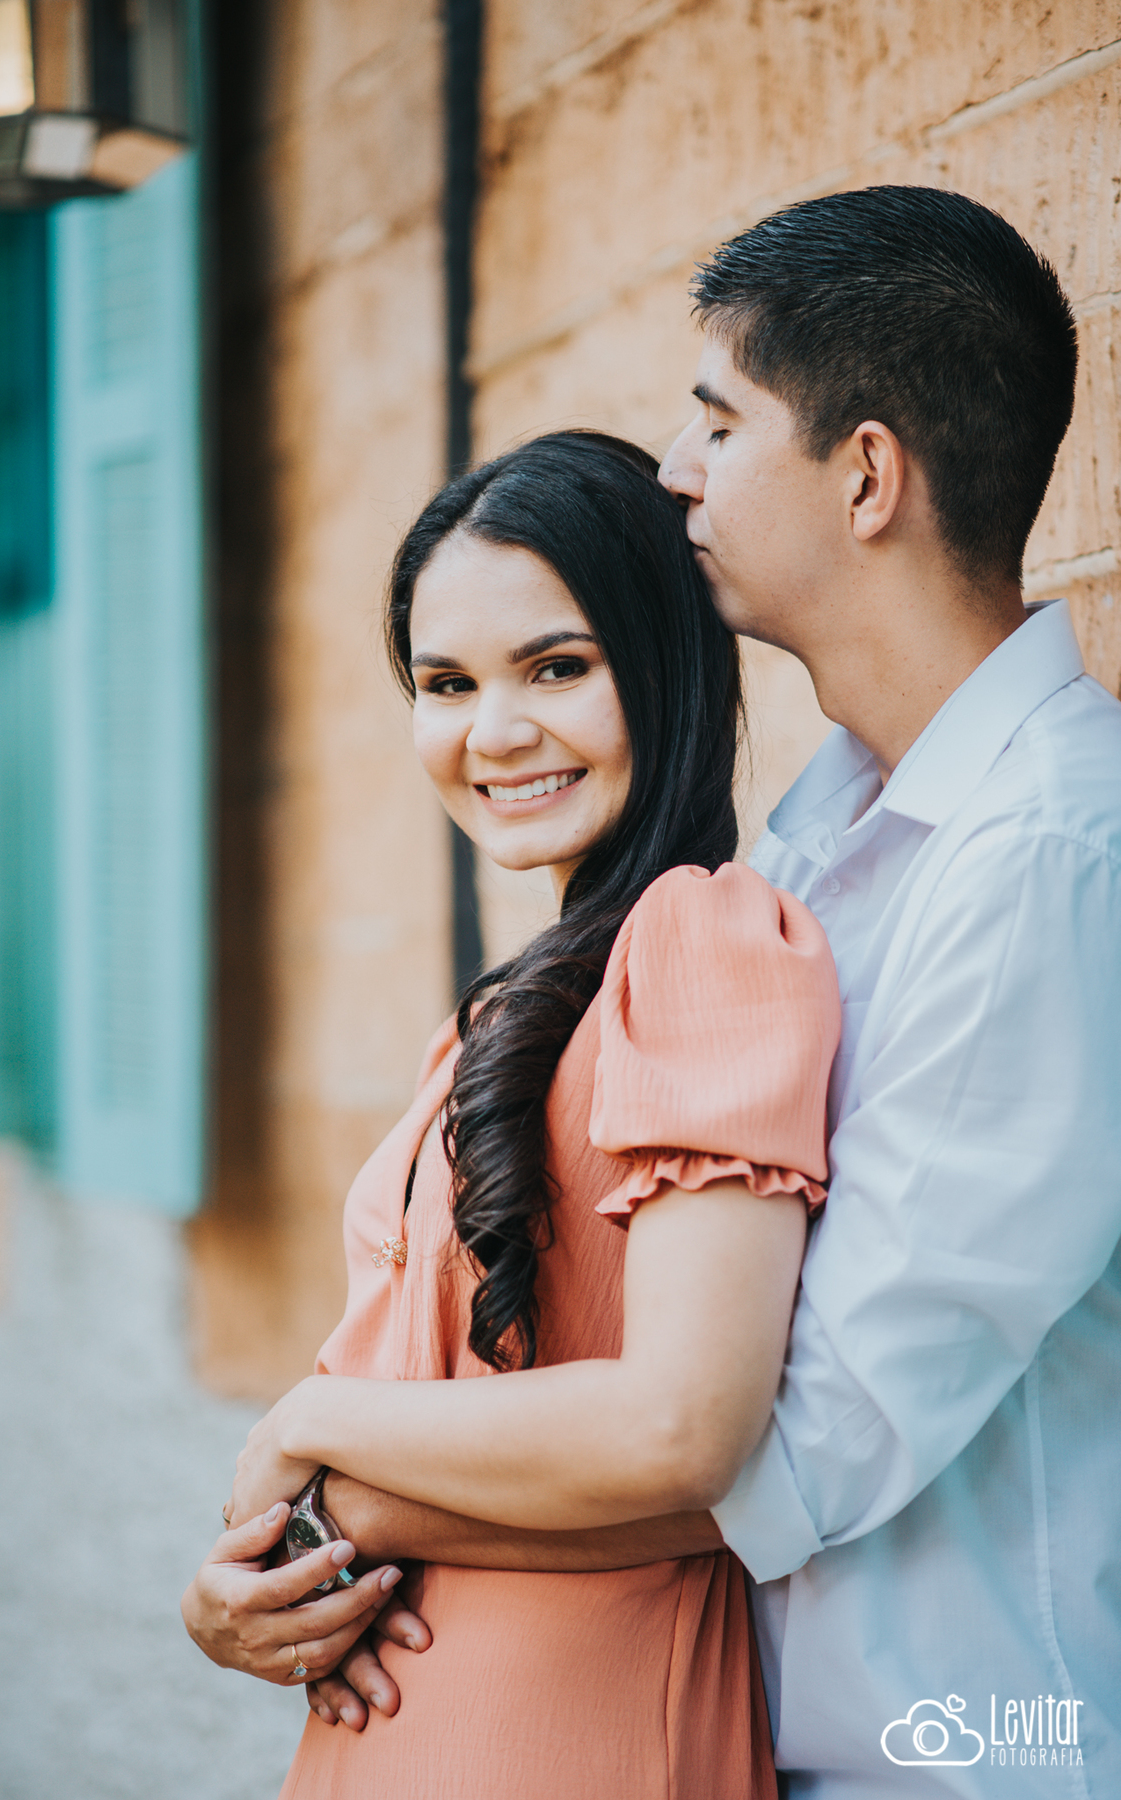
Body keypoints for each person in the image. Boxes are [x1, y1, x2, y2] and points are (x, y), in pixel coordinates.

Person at [194, 187, 1121, 1796]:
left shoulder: (1049, 855)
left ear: (868, 474)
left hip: (966, 1746)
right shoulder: (820, 851)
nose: (678, 473)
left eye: (717, 421)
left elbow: (786, 1440)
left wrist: (325, 1482)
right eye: (446, 681)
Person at [183, 428, 843, 1799]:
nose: (494, 732)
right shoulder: (519, 1008)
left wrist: (313, 1433)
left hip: (579, 1729)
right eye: (446, 682)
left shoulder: (702, 939)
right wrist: (249, 1591)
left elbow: (685, 1439)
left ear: (664, 664)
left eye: (557, 667)